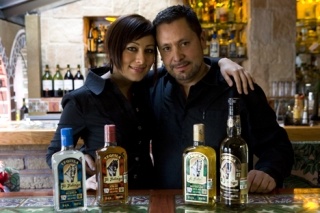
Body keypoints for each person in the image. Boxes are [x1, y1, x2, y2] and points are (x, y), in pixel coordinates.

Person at [46, 14, 254, 190]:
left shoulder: (148, 86)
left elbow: (184, 67)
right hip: (109, 198)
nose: (141, 60)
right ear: (113, 48)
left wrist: (223, 62)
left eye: (148, 51)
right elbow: (54, 154)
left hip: (149, 196)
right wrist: (80, 166)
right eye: (132, 49)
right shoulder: (83, 99)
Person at [150, 5, 294, 193]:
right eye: (167, 48)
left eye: (184, 43)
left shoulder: (239, 87)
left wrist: (268, 172)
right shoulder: (151, 87)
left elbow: (278, 147)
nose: (177, 56)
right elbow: (110, 81)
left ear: (202, 40)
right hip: (166, 205)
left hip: (224, 205)